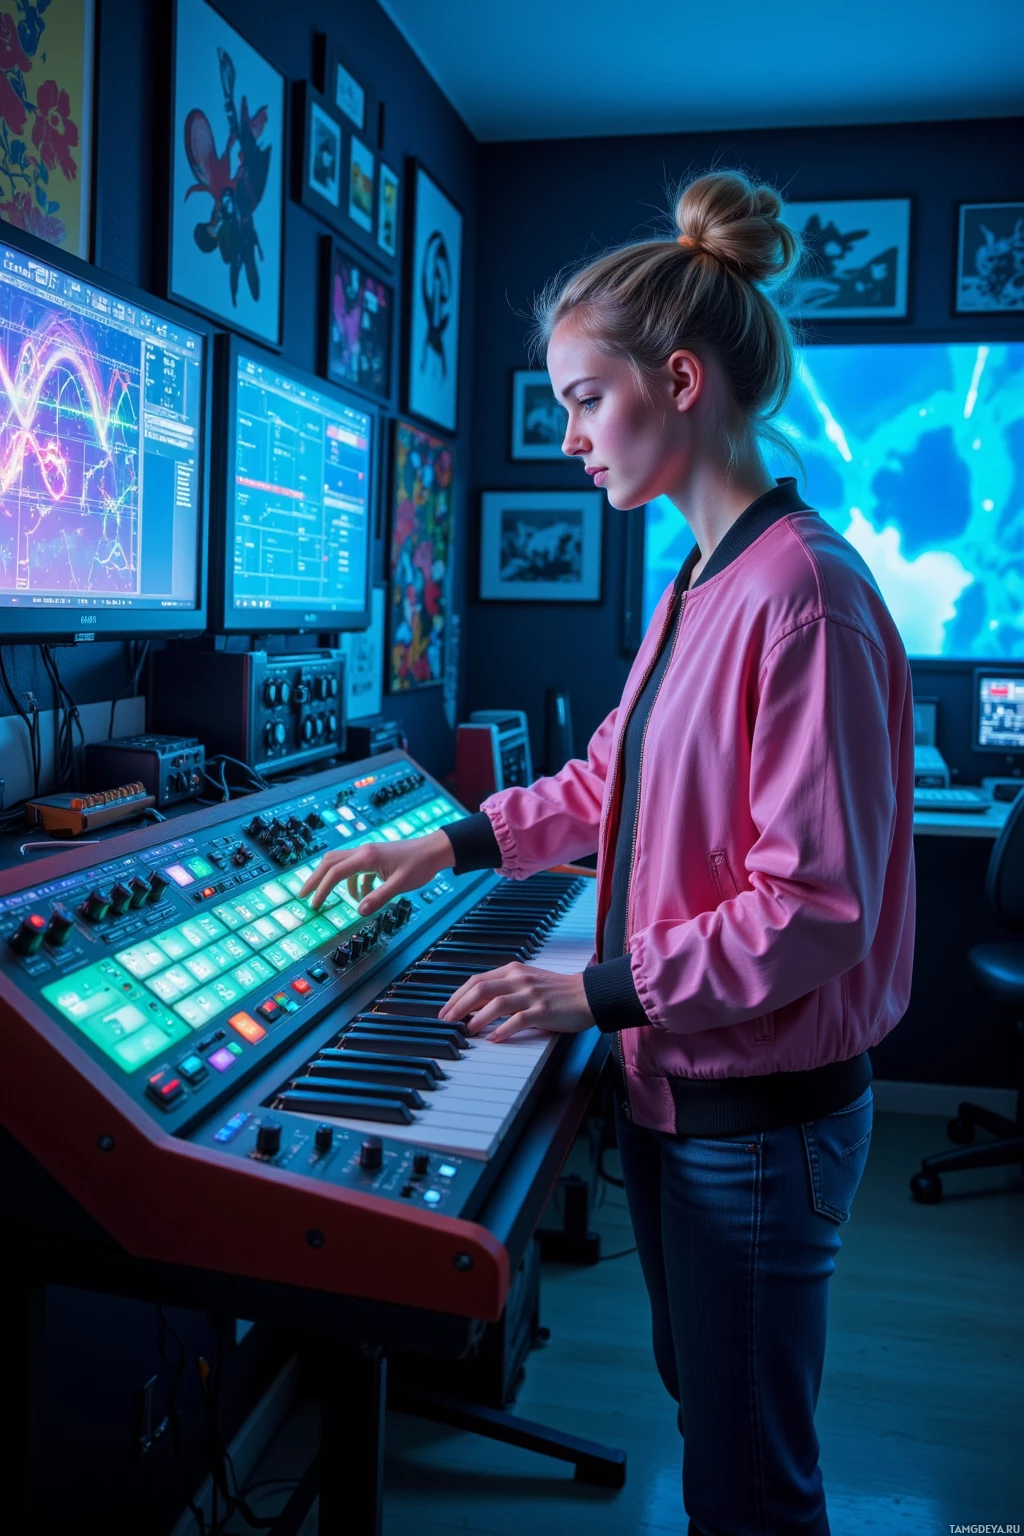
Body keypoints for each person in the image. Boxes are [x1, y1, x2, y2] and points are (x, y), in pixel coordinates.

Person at [299, 169, 916, 1536]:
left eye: (584, 398)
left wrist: (595, 989)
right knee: (712, 1418)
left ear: (681, 381)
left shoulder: (804, 595)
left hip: (755, 1120)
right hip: (676, 1092)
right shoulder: (698, 582)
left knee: (754, 1482)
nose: (568, 434)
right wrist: (452, 844)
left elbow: (814, 910)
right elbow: (607, 781)